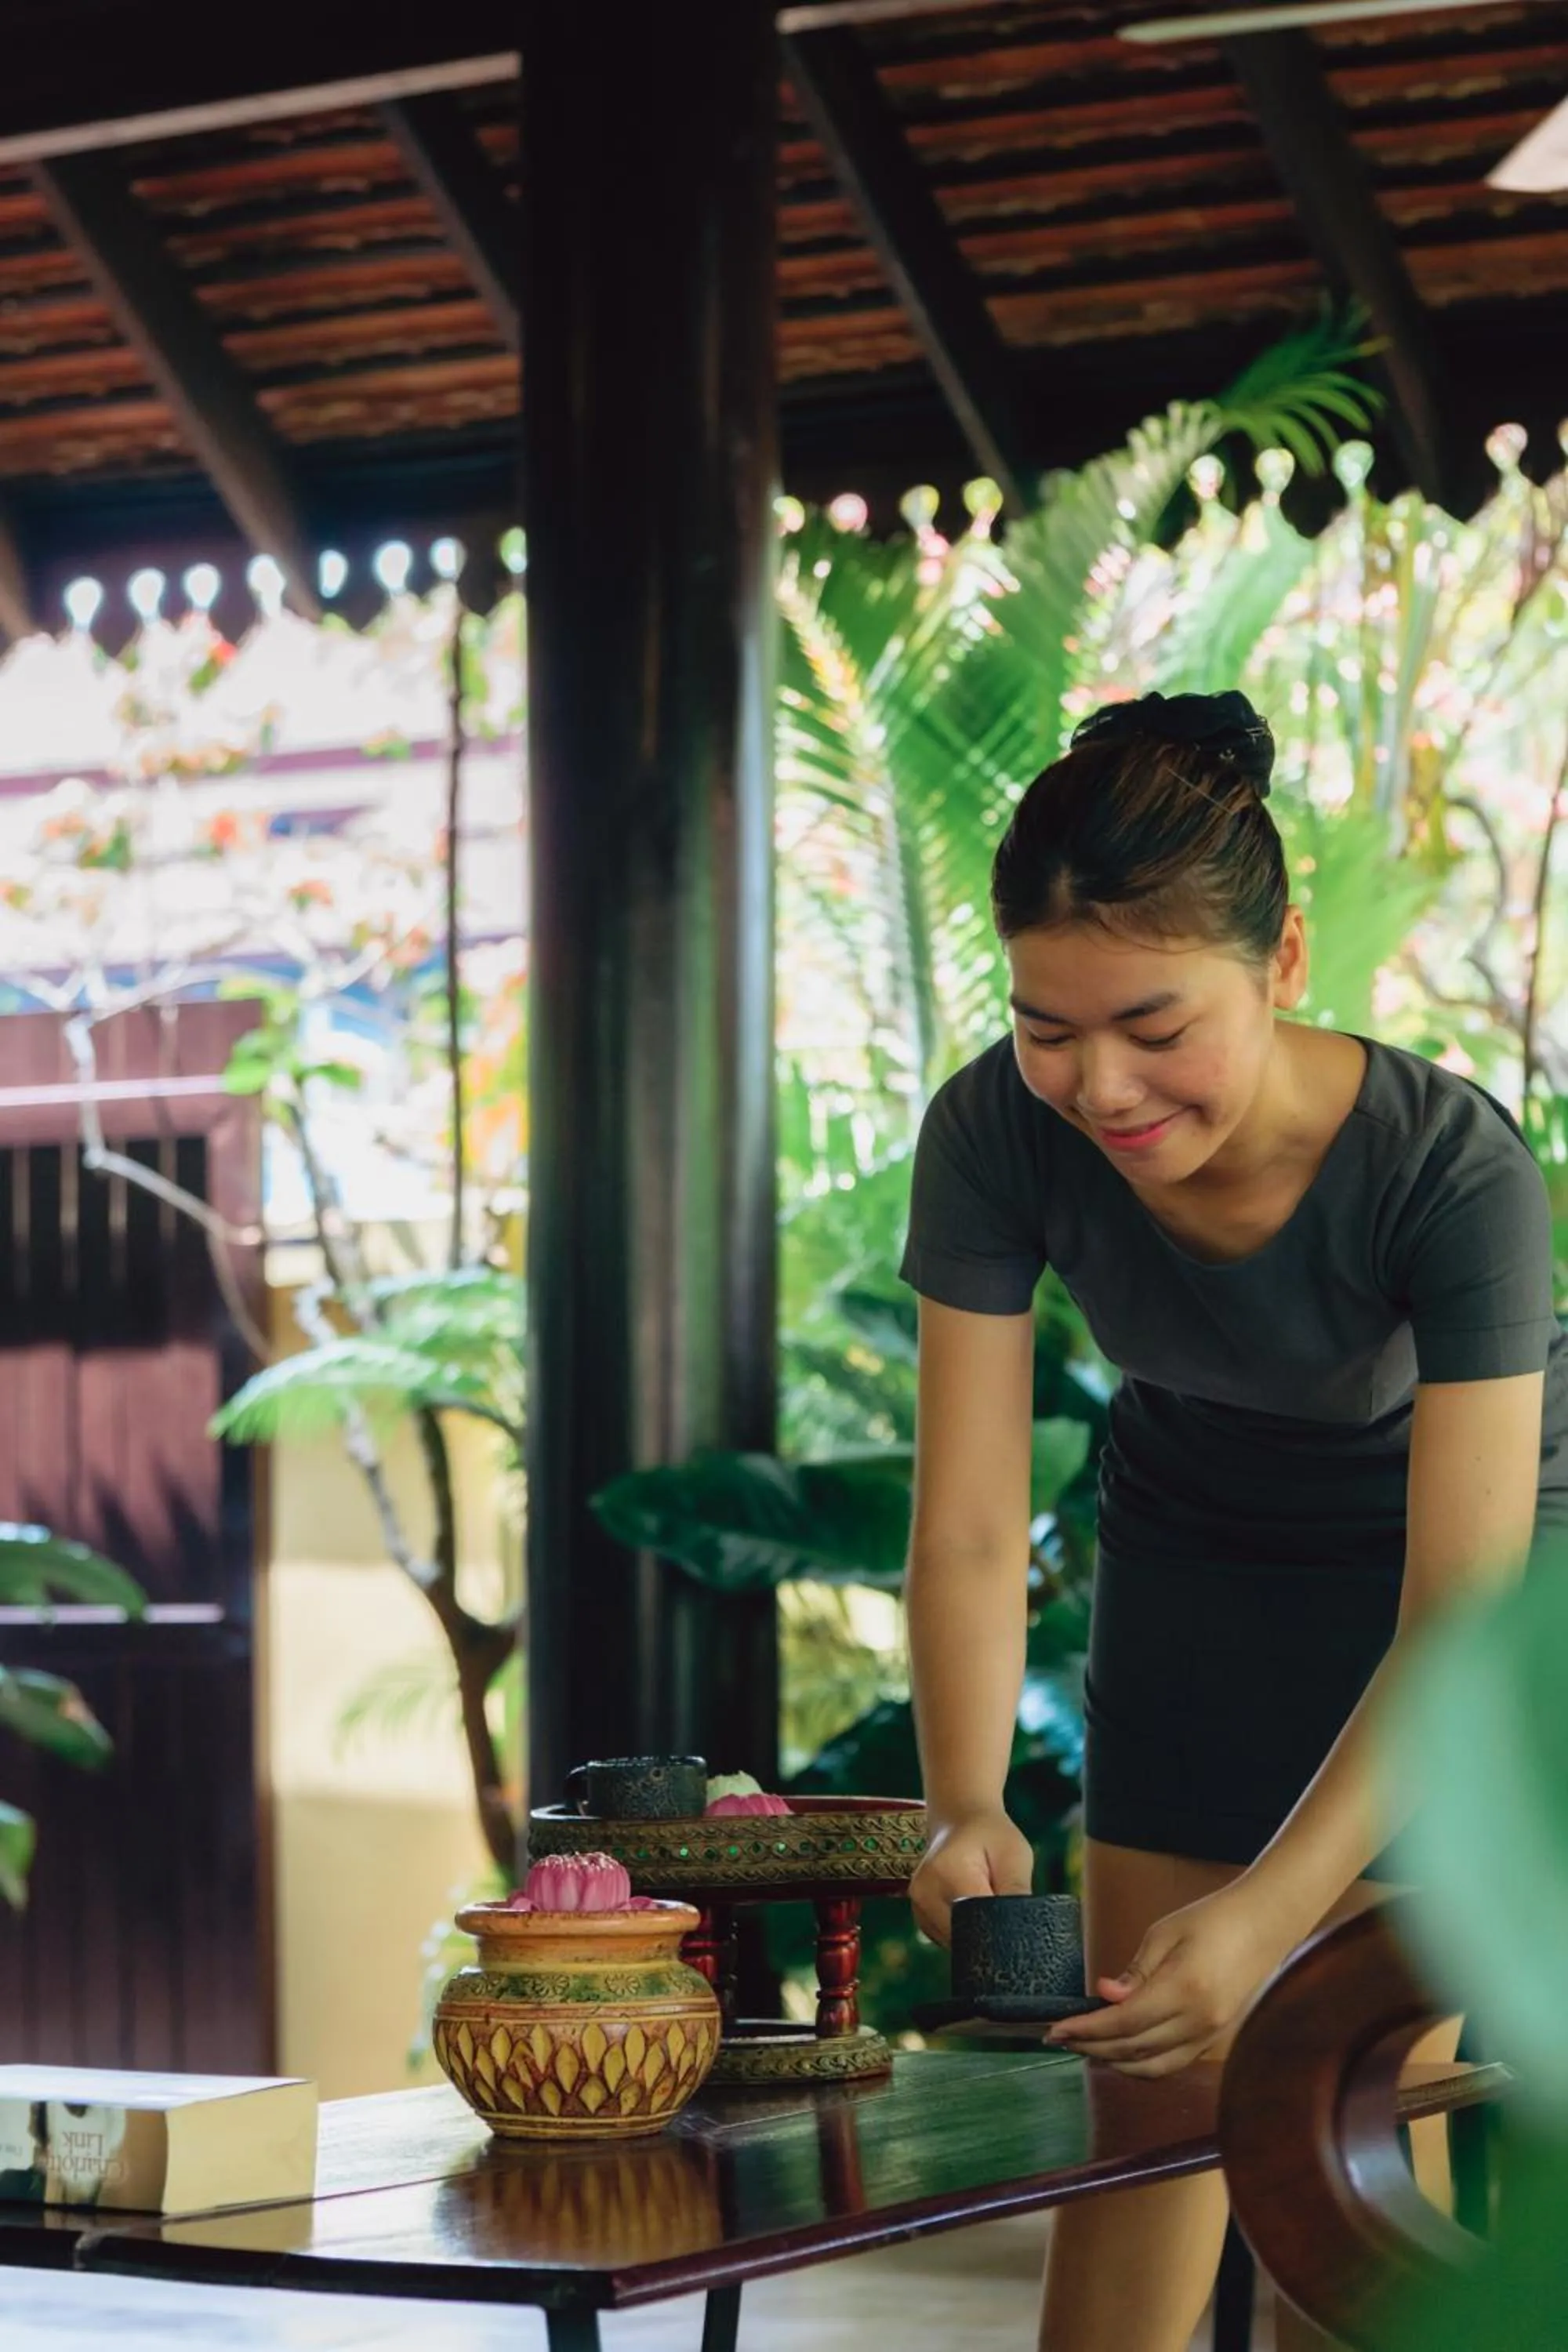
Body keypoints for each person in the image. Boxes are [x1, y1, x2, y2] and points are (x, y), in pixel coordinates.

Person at [898, 689, 1568, 2352]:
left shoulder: (1448, 1169)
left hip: (1463, 1582)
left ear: (1280, 962)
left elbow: (1459, 1606)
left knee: (1335, 2145)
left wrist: (1275, 1912)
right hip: (1196, 1542)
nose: (1099, 1086)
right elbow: (971, 1523)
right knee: (1145, 2113)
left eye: (1152, 1023)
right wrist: (963, 1802)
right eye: (1047, 1027)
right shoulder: (993, 1130)